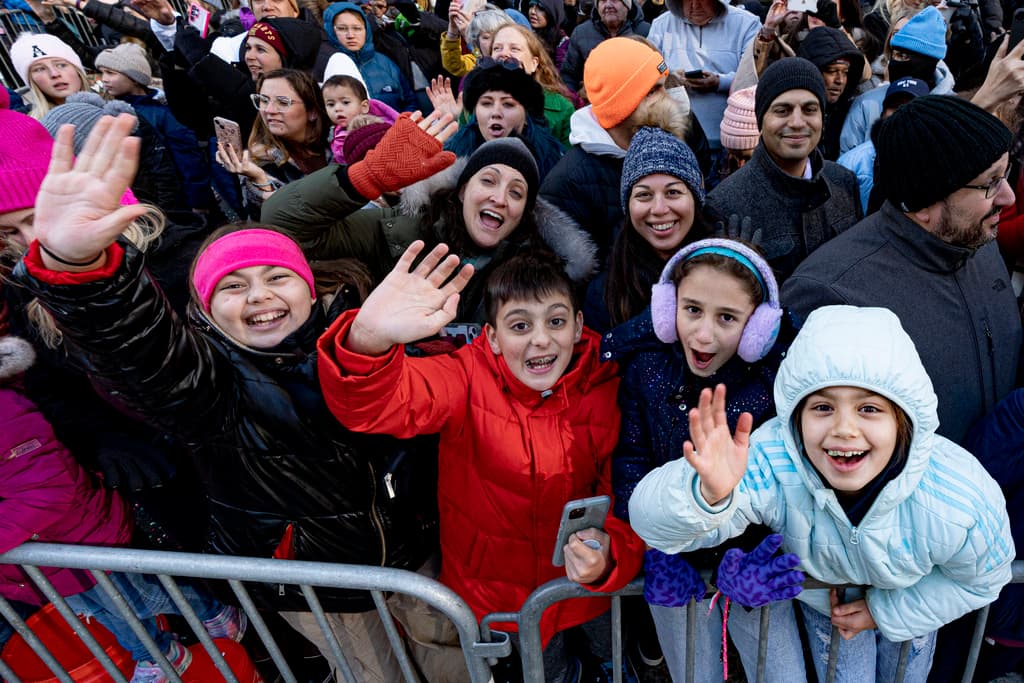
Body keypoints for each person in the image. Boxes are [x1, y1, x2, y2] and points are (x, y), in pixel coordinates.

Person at [12, 113, 447, 683]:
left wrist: (384, 349)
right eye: (234, 286)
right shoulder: (211, 384)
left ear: (310, 290)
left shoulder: (359, 339)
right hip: (321, 586)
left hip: (413, 557)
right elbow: (144, 353)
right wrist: (83, 271)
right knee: (377, 674)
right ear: (205, 312)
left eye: (277, 277)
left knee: (447, 656)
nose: (260, 296)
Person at [627, 305, 1015, 683]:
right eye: (823, 407)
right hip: (827, 612)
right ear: (795, 418)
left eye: (868, 409)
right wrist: (706, 495)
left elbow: (984, 576)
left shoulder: (957, 496)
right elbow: (652, 524)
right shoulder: (776, 462)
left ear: (903, 419)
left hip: (911, 605)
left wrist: (889, 613)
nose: (844, 429)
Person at [316, 244, 646, 680]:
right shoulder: (465, 376)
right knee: (550, 673)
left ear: (579, 325)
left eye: (556, 321)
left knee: (612, 654)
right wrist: (369, 341)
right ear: (490, 336)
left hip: (587, 586)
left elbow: (625, 489)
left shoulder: (606, 384)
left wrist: (611, 555)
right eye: (520, 325)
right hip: (499, 599)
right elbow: (376, 404)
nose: (541, 339)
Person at [0, 317, 244, 683]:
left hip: (80, 539)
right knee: (98, 611)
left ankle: (192, 625)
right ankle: (167, 647)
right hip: (34, 557)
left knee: (134, 602)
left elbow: (47, 491)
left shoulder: (7, 411)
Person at [603, 237, 803, 682]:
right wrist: (655, 545)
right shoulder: (645, 371)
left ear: (759, 330)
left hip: (754, 561)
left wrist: (760, 550)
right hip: (674, 556)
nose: (705, 333)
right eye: (692, 309)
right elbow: (630, 462)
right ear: (667, 308)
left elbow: (790, 482)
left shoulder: (776, 382)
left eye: (727, 318)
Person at [782, 94, 1021, 446]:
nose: (1009, 197)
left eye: (1006, 174)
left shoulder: (978, 241)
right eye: (990, 183)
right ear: (924, 202)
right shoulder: (831, 294)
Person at [262, 128, 598, 328]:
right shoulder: (398, 230)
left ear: (524, 212)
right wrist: (362, 179)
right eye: (488, 181)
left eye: (516, 192)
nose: (499, 198)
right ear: (463, 190)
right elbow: (280, 229)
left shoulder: (536, 272)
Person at [540, 37, 698, 261]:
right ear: (621, 105)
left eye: (664, 87)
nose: (667, 100)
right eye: (653, 91)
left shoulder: (673, 144)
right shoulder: (566, 183)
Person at [706, 58, 861, 283]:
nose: (797, 122)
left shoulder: (843, 182)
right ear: (762, 120)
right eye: (782, 110)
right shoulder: (724, 205)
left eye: (809, 109)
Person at [584, 125, 712, 331]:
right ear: (628, 205)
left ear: (695, 198)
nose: (659, 209)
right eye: (644, 195)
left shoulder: (727, 268)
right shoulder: (604, 292)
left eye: (673, 193)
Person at [95, 43, 214, 213]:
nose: (104, 79)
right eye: (102, 72)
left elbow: (188, 158)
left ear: (135, 78)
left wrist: (198, 200)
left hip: (175, 200)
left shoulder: (162, 114)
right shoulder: (110, 110)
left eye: (111, 73)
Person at [646, 0, 760, 149]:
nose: (694, 5)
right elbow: (648, 68)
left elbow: (753, 75)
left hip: (730, 143)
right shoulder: (662, 24)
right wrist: (669, 76)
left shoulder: (746, 23)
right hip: (674, 140)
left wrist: (719, 82)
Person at [839, 6, 953, 154]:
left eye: (904, 56)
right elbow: (847, 164)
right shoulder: (866, 104)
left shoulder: (951, 108)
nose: (895, 62)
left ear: (928, 62)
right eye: (895, 54)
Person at [216, 69, 330, 215]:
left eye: (282, 102)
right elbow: (265, 223)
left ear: (312, 111)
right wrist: (260, 178)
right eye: (263, 100)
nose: (269, 110)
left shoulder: (339, 143)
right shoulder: (260, 160)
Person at [443, 58, 565, 179]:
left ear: (526, 115)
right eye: (486, 103)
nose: (496, 113)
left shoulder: (552, 161)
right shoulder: (453, 155)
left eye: (508, 104)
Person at [836, 75, 928, 213]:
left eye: (912, 106)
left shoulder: (936, 161)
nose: (902, 112)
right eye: (896, 107)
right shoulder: (852, 163)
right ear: (882, 113)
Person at [489, 24, 578, 146]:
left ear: (534, 63)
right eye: (497, 48)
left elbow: (568, 160)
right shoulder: (476, 103)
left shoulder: (563, 109)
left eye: (514, 49)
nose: (504, 53)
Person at [324, 2, 417, 112]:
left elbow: (410, 102)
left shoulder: (385, 63)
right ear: (331, 31)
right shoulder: (327, 67)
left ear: (366, 30)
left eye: (357, 28)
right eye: (342, 29)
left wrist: (402, 125)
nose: (350, 35)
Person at [795, 26, 865, 160]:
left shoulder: (853, 115)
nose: (840, 80)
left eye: (845, 72)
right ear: (812, 70)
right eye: (831, 71)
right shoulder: (792, 115)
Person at [560, 0, 650, 92]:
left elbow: (656, 70)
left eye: (614, 0)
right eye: (603, 1)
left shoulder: (646, 32)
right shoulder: (581, 33)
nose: (608, 5)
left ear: (627, 5)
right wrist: (574, 101)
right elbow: (568, 75)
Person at [9, 33, 88, 120]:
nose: (54, 74)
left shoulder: (104, 105)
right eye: (40, 69)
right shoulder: (24, 124)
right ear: (30, 80)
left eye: (61, 65)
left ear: (77, 69)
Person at [440, 5, 512, 77]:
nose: (493, 42)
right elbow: (454, 65)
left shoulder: (515, 63)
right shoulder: (478, 57)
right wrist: (453, 30)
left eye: (498, 36)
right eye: (486, 37)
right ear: (478, 41)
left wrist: (467, 36)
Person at [527, 0, 571, 69]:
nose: (532, 11)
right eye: (531, 6)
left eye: (541, 8)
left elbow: (560, 76)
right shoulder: (526, 34)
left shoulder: (562, 43)